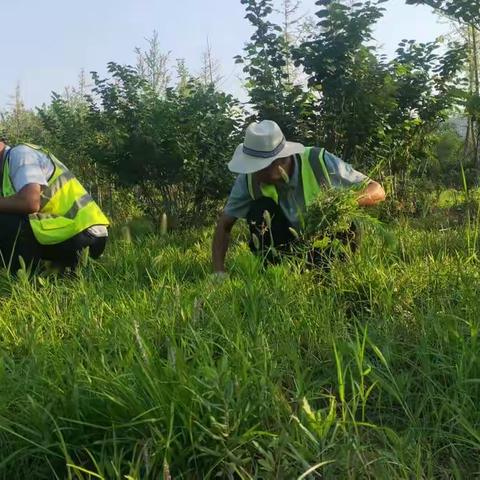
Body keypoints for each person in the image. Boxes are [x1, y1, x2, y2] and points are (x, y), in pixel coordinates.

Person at [212, 120, 386, 274]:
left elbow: (377, 190)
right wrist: (218, 272)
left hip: (326, 242)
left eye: (257, 167)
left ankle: (336, 269)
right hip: (285, 249)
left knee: (348, 222)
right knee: (259, 211)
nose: (253, 172)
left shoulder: (318, 161)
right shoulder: (248, 179)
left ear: (277, 162)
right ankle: (276, 272)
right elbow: (224, 225)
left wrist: (341, 203)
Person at [0, 140, 110, 272]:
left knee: (5, 219)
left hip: (84, 234)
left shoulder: (20, 154)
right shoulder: (5, 170)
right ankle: (42, 273)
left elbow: (30, 202)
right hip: (68, 233)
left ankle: (22, 281)